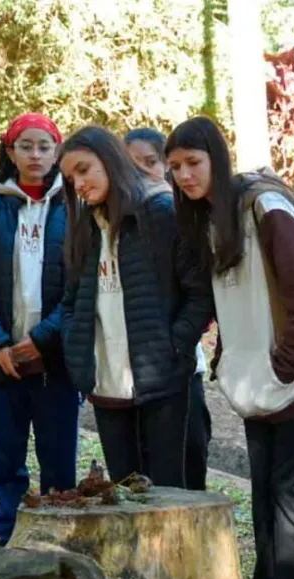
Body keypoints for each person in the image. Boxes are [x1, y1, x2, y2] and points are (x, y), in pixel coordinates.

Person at [166, 116, 294, 579]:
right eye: (175, 168)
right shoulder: (209, 219)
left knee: (290, 497)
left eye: (193, 163)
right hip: (258, 383)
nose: (183, 176)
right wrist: (232, 363)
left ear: (216, 160)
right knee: (265, 494)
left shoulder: (264, 207)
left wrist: (285, 365)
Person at [60, 125, 211, 487]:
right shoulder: (85, 226)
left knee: (171, 497)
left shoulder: (160, 213)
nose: (78, 183)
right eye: (70, 177)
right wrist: (76, 348)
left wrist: (173, 345)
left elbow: (200, 293)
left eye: (84, 169)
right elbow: (70, 301)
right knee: (125, 497)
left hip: (161, 382)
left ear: (109, 160)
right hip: (106, 386)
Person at [0, 112, 79, 546]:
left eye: (44, 146)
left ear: (57, 153)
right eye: (25, 146)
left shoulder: (76, 211)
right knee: (4, 461)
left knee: (59, 462)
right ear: (9, 152)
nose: (35, 155)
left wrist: (42, 342)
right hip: (1, 365)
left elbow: (79, 292)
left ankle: (57, 539)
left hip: (55, 364)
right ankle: (8, 535)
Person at [124, 126, 212, 490]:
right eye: (132, 165)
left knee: (188, 460)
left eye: (151, 162)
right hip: (131, 374)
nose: (143, 172)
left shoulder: (179, 214)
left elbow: (200, 294)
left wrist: (175, 342)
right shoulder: (114, 220)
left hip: (180, 367)